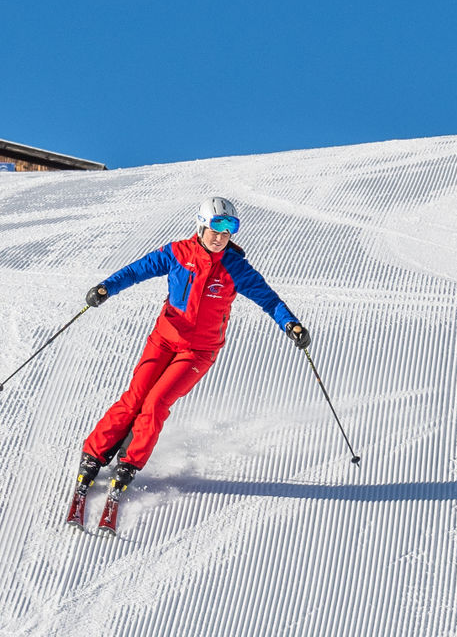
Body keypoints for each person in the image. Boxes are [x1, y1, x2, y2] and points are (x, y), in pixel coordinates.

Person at [74, 197, 310, 499]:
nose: (221, 236)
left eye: (229, 230)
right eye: (216, 227)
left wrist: (291, 324)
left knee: (156, 402)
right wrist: (107, 288)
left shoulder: (235, 268)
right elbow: (136, 271)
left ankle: (129, 462)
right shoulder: (177, 253)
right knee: (136, 397)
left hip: (199, 352)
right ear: (201, 224)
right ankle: (94, 454)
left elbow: (270, 300)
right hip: (163, 339)